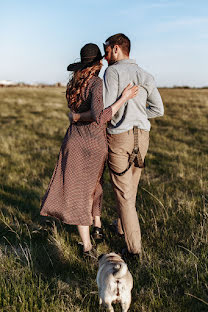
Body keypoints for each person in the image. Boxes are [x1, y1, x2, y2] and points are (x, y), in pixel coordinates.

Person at [40, 43, 138, 258]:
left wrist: (76, 117)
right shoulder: (95, 83)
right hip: (93, 144)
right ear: (97, 63)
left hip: (73, 141)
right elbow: (100, 116)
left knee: (84, 188)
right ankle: (87, 247)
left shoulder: (73, 83)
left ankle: (96, 227)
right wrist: (124, 98)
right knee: (89, 190)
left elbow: (76, 114)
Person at [103, 33, 164, 256]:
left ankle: (134, 250)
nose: (105, 55)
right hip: (143, 136)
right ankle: (121, 227)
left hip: (120, 137)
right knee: (132, 189)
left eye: (107, 50)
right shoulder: (145, 74)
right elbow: (159, 110)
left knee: (125, 195)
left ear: (116, 49)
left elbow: (108, 111)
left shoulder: (113, 71)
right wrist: (139, 114)